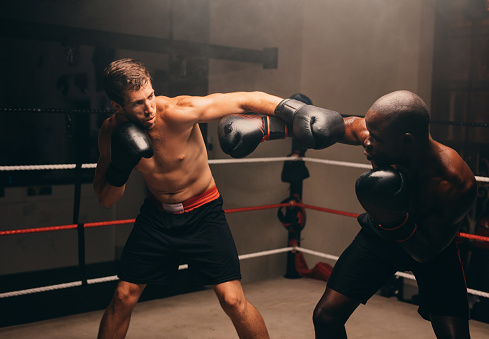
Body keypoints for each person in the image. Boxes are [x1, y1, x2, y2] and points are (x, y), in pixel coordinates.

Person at [93, 57, 343, 339]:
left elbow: (246, 100)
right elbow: (105, 198)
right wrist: (119, 168)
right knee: (123, 295)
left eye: (150, 95)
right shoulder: (110, 133)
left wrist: (298, 110)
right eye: (138, 103)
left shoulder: (177, 111)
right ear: (117, 106)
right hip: (157, 217)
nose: (149, 107)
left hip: (203, 212)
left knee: (232, 300)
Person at [311, 90, 477, 338]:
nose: (367, 142)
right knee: (325, 316)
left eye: (376, 138)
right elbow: (343, 125)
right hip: (379, 237)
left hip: (432, 245)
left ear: (407, 140)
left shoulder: (454, 181)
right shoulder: (380, 134)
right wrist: (279, 127)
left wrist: (394, 221)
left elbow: (426, 252)